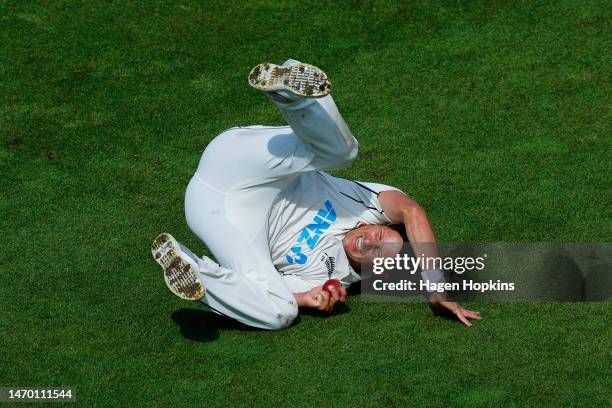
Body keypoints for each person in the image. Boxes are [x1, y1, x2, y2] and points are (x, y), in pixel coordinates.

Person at [151, 59, 481, 330]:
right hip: (242, 164)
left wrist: (306, 298)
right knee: (344, 153)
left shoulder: (331, 278)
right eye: (379, 235)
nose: (371, 243)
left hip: (219, 216)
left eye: (377, 254)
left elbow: (270, 290)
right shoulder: (364, 203)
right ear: (372, 223)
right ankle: (291, 92)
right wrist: (437, 287)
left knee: (280, 314)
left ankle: (189, 267)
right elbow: (412, 211)